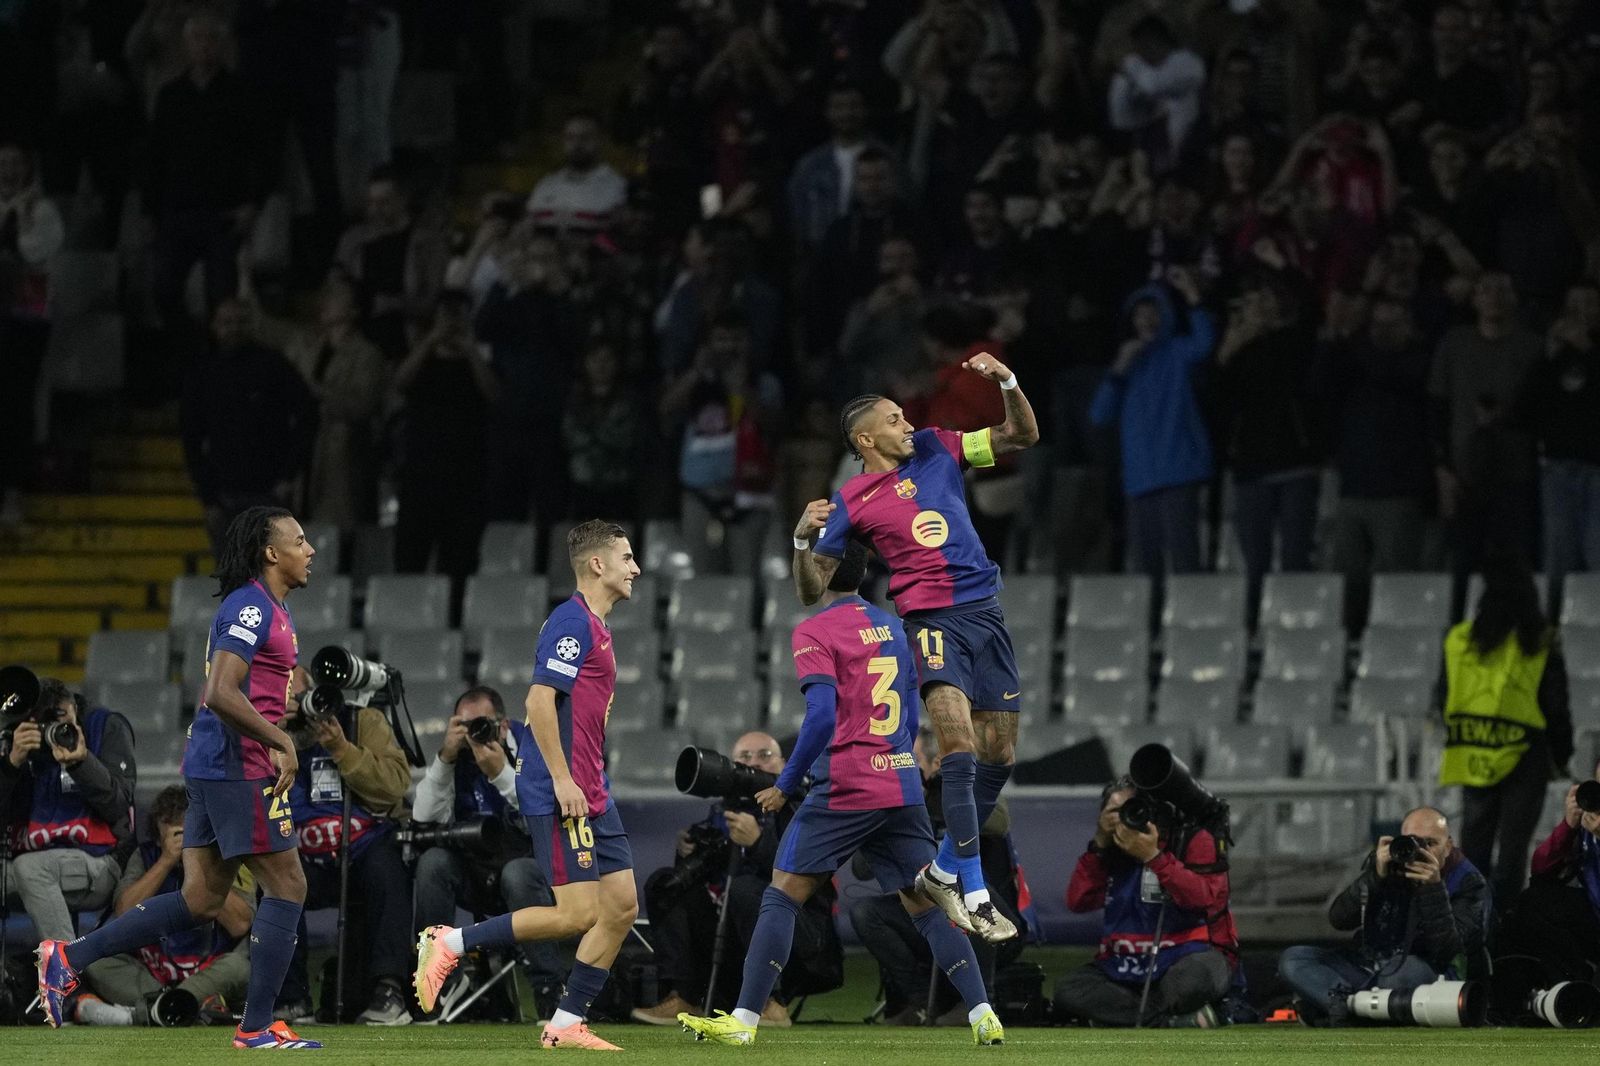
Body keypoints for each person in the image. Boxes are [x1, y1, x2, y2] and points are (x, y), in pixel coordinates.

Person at [676, 541, 1005, 1046]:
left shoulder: (815, 630)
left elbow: (823, 717)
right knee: (926, 904)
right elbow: (916, 705)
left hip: (847, 784)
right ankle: (983, 1013)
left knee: (781, 895)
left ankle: (743, 1021)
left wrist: (785, 785)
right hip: (900, 782)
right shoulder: (896, 626)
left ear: (825, 569)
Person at [37, 506, 322, 1049]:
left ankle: (68, 957)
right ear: (270, 552)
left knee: (200, 900)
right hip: (237, 766)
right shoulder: (252, 608)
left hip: (220, 763)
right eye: (300, 541)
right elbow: (220, 692)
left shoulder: (271, 608)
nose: (310, 550)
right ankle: (258, 1026)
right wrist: (281, 740)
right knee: (289, 884)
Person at [793, 349, 1039, 942]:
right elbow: (812, 590)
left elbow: (1020, 435)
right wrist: (802, 542)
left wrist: (1006, 380)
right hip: (932, 621)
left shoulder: (938, 447)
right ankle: (973, 888)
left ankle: (946, 868)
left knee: (999, 755)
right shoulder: (851, 500)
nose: (909, 424)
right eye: (896, 418)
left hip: (986, 612)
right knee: (956, 741)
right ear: (865, 437)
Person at [415, 520, 641, 1051]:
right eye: (627, 557)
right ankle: (449, 940)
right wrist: (562, 780)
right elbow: (538, 702)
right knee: (578, 913)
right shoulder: (573, 621)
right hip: (560, 788)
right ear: (597, 565)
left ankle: (565, 1022)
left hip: (591, 787)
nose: (636, 568)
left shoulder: (597, 626)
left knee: (623, 905)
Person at [632, 732, 839, 1026]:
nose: (754, 764)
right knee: (665, 884)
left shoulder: (805, 805)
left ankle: (772, 1002)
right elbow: (708, 884)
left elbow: (810, 876)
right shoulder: (728, 809)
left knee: (747, 890)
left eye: (765, 756)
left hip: (801, 938)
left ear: (784, 764)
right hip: (733, 941)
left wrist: (758, 843)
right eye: (744, 757)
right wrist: (689, 855)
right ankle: (684, 996)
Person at [850, 728, 1025, 1026]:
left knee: (967, 892)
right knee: (866, 912)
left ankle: (980, 1000)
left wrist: (938, 807)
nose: (901, 766)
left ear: (936, 764)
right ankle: (919, 1001)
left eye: (910, 759)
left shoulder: (957, 790)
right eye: (896, 759)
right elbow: (861, 869)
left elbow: (998, 822)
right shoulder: (889, 804)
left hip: (992, 922)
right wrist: (894, 814)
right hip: (927, 914)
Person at [410, 685, 564, 1021]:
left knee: (518, 874)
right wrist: (445, 758)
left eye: (483, 725)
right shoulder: (456, 760)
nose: (475, 735)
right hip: (477, 872)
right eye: (465, 727)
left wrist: (500, 773)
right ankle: (444, 984)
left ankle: (551, 992)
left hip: (531, 873)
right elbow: (421, 816)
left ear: (503, 725)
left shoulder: (531, 744)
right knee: (433, 863)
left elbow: (546, 815)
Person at [273, 678, 414, 1025]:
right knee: (275, 882)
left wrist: (342, 749)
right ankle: (291, 998)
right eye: (282, 689)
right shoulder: (267, 732)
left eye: (298, 689)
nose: (292, 696)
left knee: (387, 868)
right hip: (304, 856)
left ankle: (389, 991)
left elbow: (395, 785)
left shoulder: (360, 721)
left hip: (363, 849)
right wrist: (273, 735)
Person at [1278, 806, 1490, 1026]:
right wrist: (1374, 877)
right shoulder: (1392, 865)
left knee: (1399, 975)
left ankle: (1339, 1007)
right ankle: (1360, 1008)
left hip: (1428, 972)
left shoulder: (1469, 882)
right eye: (1414, 842)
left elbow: (1449, 951)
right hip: (1370, 967)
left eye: (1431, 843)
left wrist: (1433, 888)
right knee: (1294, 959)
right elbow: (1339, 919)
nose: (1421, 851)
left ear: (1448, 846)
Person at [1054, 777, 1238, 1028]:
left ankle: (1120, 1017)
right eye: (1114, 812)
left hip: (1183, 958)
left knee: (1191, 982)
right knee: (1069, 989)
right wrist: (1099, 843)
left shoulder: (1180, 841)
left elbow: (1204, 900)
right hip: (1121, 966)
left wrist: (1153, 857)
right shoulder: (1104, 855)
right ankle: (1172, 1020)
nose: (1125, 817)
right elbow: (1078, 901)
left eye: (1132, 808)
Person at [1439, 559, 1573, 902]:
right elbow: (1555, 706)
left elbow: (1444, 695)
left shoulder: (1459, 639)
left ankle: (1469, 933)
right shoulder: (1540, 642)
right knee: (1512, 855)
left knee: (1472, 854)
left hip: (1473, 752)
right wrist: (1561, 754)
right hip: (1525, 757)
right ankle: (1505, 934)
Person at [73, 786, 252, 1027]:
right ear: (158, 836)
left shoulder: (223, 855)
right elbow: (124, 911)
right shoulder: (146, 856)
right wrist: (166, 861)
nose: (181, 842)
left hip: (211, 971)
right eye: (175, 834)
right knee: (96, 962)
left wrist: (198, 865)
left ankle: (145, 1013)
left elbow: (241, 924)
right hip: (155, 975)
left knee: (240, 967)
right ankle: (189, 1006)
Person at [0, 678, 136, 945]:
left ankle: (66, 979)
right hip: (28, 856)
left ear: (74, 708)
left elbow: (119, 807)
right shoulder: (18, 739)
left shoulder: (105, 727)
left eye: (59, 719)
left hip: (99, 861)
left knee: (32, 868)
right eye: (43, 723)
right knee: (30, 866)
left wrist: (82, 763)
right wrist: (11, 764)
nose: (52, 729)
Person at [1497, 764, 1600, 999]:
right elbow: (1541, 872)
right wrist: (1568, 826)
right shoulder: (1591, 822)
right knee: (1533, 902)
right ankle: (1562, 984)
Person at [525, 110, 628, 235]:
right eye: (570, 138)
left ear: (601, 140)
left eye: (585, 138)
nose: (577, 144)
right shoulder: (546, 184)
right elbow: (529, 227)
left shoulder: (617, 187)